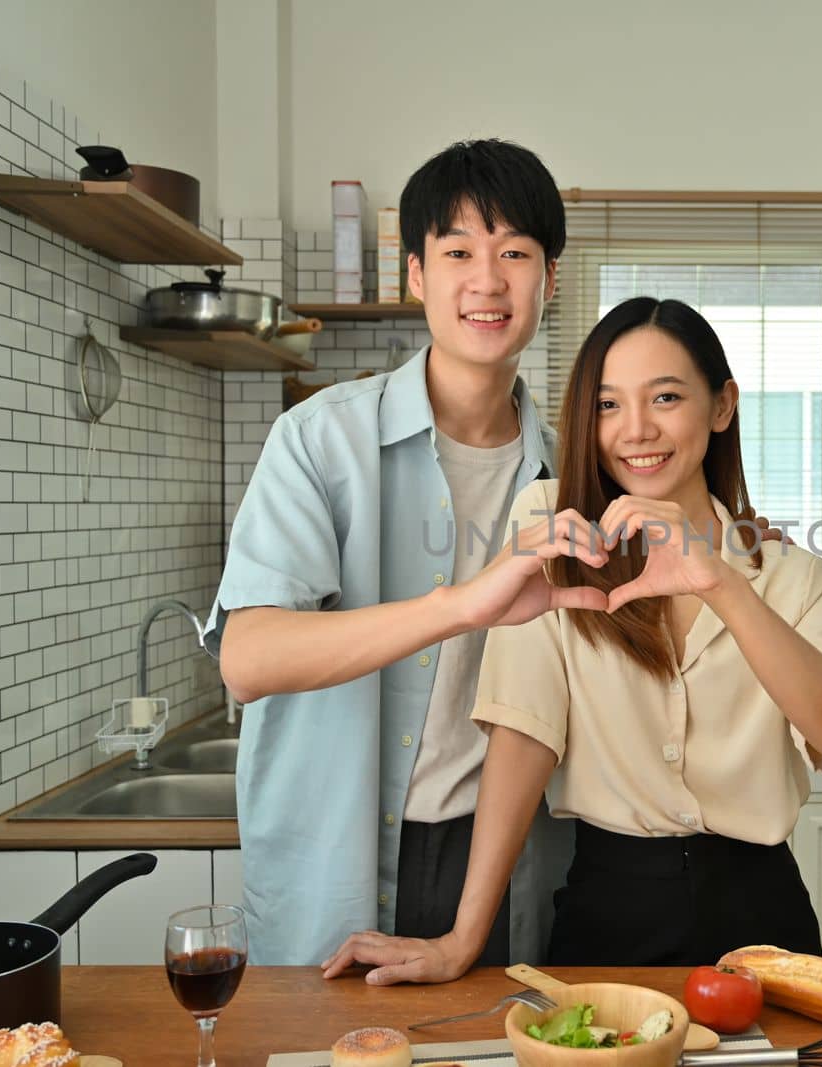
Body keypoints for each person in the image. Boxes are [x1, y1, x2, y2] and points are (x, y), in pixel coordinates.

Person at [321, 297, 822, 983]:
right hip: (609, 913)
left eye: (665, 396)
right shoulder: (552, 528)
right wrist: (462, 938)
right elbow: (523, 735)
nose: (635, 430)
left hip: (765, 920)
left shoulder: (789, 574)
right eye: (608, 405)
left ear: (722, 405)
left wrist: (722, 585)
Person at [206, 139, 613, 967]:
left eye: (516, 253)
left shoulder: (571, 470)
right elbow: (247, 658)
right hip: (340, 862)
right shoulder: (319, 440)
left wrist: (741, 538)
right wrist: (459, 604)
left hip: (506, 862)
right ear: (417, 274)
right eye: (459, 251)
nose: (488, 280)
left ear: (551, 278)